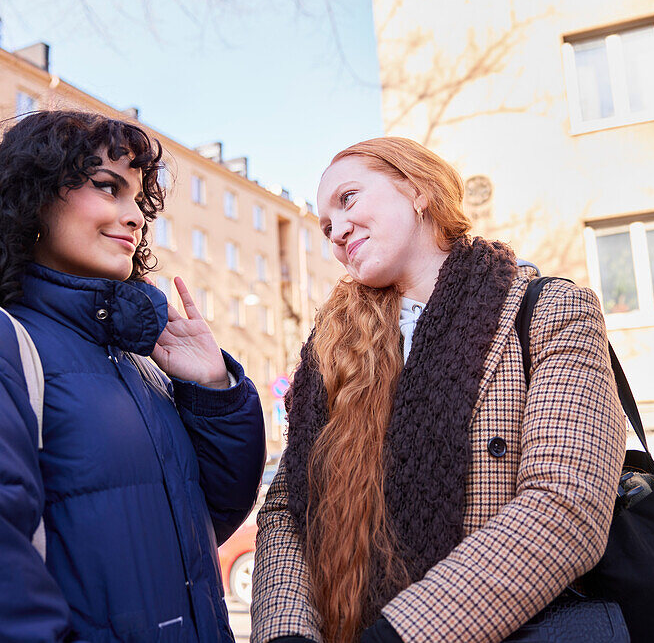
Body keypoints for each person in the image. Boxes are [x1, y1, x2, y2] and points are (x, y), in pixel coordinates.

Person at [0, 110, 266, 642]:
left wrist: (212, 390)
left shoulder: (136, 363)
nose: (135, 217)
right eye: (107, 187)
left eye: (138, 200)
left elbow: (204, 521)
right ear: (33, 198)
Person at [250, 137, 626, 643]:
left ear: (419, 190)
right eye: (325, 226)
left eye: (348, 199)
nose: (336, 231)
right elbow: (287, 510)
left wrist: (401, 635)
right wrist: (288, 634)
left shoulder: (546, 313)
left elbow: (566, 506)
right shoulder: (330, 351)